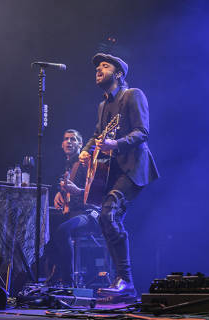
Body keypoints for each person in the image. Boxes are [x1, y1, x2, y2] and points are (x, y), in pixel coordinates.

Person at [79, 53, 159, 301]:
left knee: (109, 214)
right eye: (97, 68)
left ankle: (126, 282)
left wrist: (116, 144)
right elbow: (97, 134)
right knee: (105, 220)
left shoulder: (133, 95)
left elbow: (142, 132)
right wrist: (85, 150)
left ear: (119, 74)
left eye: (105, 66)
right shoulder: (103, 105)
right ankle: (122, 282)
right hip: (112, 172)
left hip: (134, 167)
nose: (99, 70)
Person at [49, 129, 101, 286]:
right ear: (62, 144)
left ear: (81, 144)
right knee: (44, 227)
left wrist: (77, 191)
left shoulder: (87, 164)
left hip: (89, 213)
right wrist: (60, 194)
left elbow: (98, 193)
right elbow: (67, 190)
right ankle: (53, 276)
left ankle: (67, 282)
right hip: (72, 213)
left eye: (73, 139)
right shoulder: (67, 166)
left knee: (63, 230)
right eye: (66, 139)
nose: (69, 142)